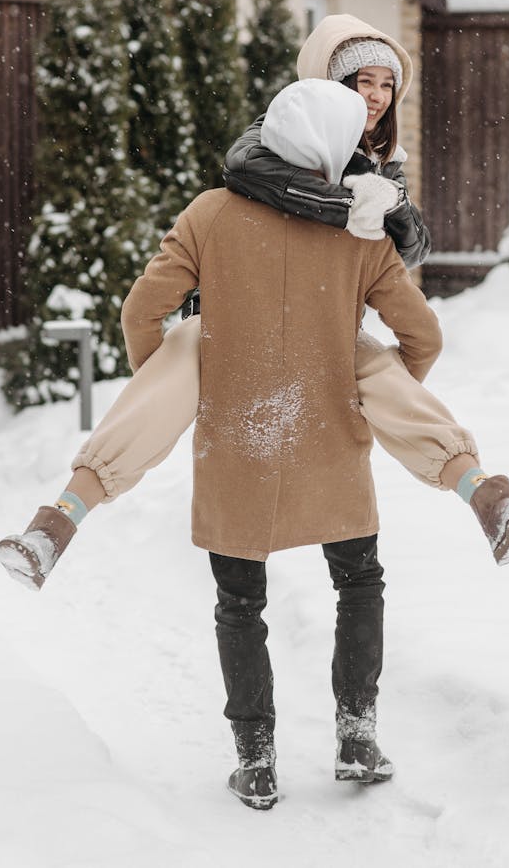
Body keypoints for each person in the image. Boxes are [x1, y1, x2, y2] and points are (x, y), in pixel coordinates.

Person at [0, 15, 509, 594]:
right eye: (362, 81)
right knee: (335, 372)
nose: (376, 97)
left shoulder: (375, 172)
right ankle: (484, 493)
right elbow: (268, 181)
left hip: (300, 333)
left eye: (387, 85)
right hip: (248, 325)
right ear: (325, 86)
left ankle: (57, 521)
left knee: (244, 363)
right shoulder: (278, 148)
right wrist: (347, 206)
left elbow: (408, 251)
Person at [138, 78, 442, 807]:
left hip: (237, 435)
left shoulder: (209, 214)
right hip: (329, 428)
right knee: (359, 579)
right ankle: (357, 734)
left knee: (239, 603)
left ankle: (257, 758)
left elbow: (144, 307)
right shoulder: (358, 232)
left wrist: (166, 384)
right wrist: (376, 387)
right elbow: (422, 334)